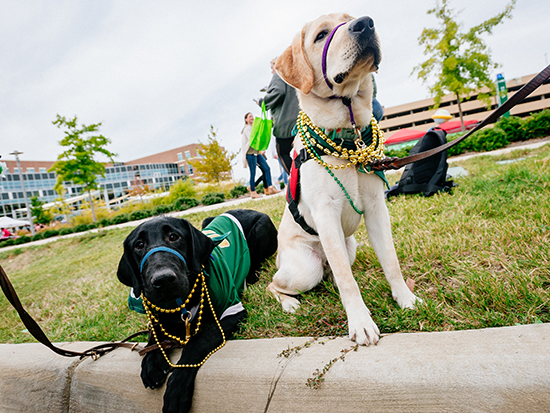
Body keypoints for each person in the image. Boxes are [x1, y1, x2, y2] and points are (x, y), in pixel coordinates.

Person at [258, 58, 300, 174]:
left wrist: (263, 102)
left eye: (272, 68)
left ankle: (296, 184)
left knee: (283, 153)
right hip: (300, 120)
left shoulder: (278, 75)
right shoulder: (293, 75)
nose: (272, 71)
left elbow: (278, 92)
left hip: (285, 125)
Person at [241, 112, 280, 198]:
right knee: (253, 172)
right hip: (250, 153)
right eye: (250, 116)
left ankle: (270, 188)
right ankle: (253, 192)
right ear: (246, 119)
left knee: (266, 168)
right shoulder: (247, 128)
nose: (252, 117)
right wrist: (260, 149)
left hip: (256, 153)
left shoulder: (253, 127)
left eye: (252, 116)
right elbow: (253, 140)